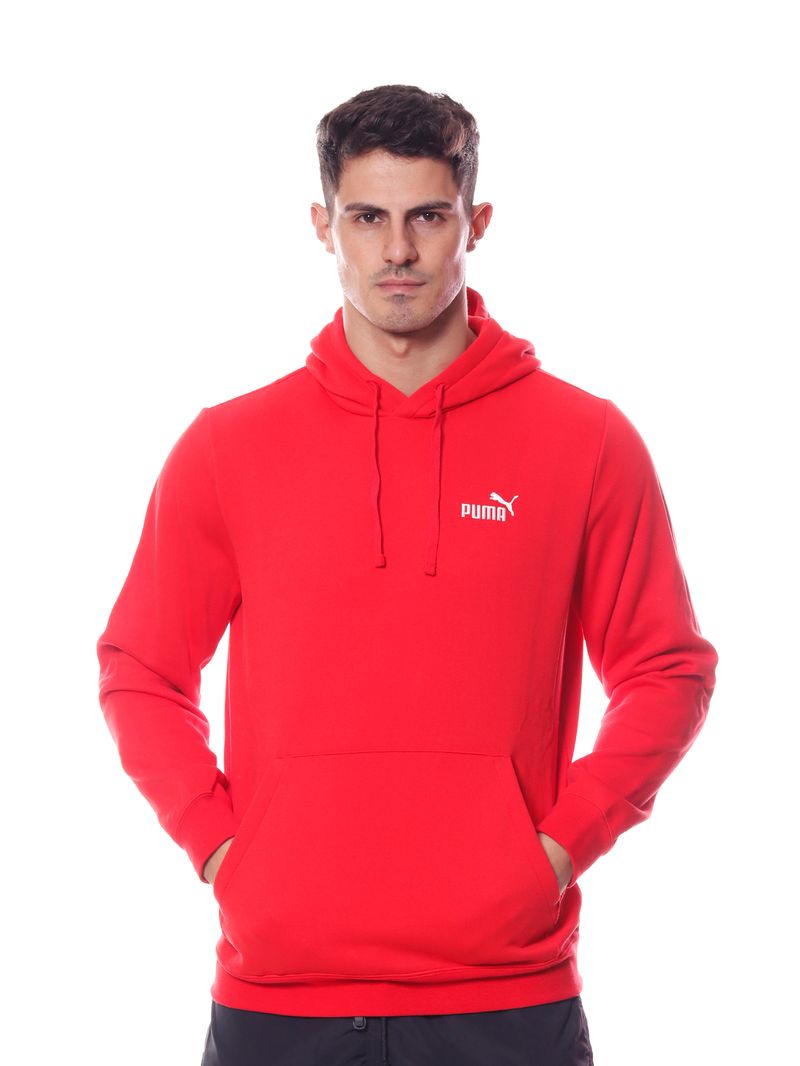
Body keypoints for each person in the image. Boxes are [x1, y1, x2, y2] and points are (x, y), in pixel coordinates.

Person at [96, 84, 719, 1066]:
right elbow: (140, 668)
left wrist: (555, 851)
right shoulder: (229, 447)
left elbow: (666, 669)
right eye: (367, 218)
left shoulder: (585, 441)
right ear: (323, 226)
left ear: (476, 221)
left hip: (505, 992)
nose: (397, 250)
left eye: (427, 217)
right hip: (281, 993)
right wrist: (224, 850)